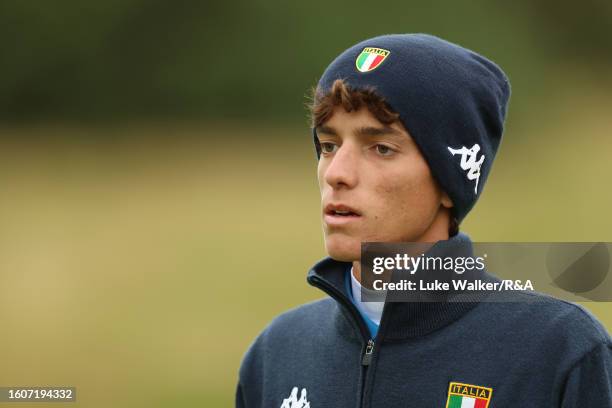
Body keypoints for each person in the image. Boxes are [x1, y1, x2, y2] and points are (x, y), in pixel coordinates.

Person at [235, 33, 612, 407]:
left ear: (451, 181)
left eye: (381, 148)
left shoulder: (560, 351)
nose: (337, 173)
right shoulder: (276, 353)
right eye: (329, 145)